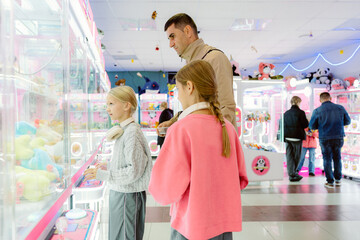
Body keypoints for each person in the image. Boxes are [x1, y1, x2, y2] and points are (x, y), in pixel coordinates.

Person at [149, 60, 248, 240]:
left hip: (191, 226)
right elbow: (240, 179)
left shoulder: (181, 129)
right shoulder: (228, 128)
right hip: (223, 226)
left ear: (189, 87)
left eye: (177, 90)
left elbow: (164, 189)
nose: (177, 96)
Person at [84, 86, 152, 240]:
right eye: (107, 104)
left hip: (128, 197)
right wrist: (108, 166)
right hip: (121, 194)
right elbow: (126, 162)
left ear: (127, 105)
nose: (107, 109)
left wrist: (103, 174)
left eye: (111, 104)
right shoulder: (125, 130)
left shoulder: (131, 132)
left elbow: (133, 171)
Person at [157, 13, 237, 134]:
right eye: (169, 39)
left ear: (188, 31)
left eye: (173, 37)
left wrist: (213, 143)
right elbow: (196, 106)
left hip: (214, 144)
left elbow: (225, 108)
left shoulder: (214, 58)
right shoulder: (191, 63)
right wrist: (174, 121)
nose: (170, 44)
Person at [309, 92, 351, 188]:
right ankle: (338, 179)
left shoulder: (317, 111)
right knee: (337, 157)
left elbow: (312, 126)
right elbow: (348, 121)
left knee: (327, 159)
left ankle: (330, 181)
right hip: (338, 136)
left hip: (325, 137)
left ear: (320, 100)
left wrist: (318, 126)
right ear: (330, 98)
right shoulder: (340, 108)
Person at [283, 96, 309, 182]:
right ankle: (294, 173)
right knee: (297, 156)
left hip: (287, 137)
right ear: (298, 102)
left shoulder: (286, 113)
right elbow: (305, 125)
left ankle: (291, 174)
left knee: (289, 156)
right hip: (297, 137)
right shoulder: (301, 113)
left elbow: (283, 126)